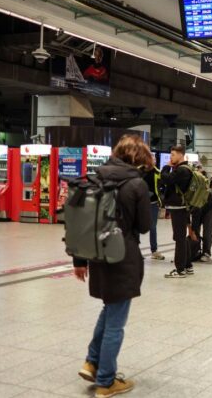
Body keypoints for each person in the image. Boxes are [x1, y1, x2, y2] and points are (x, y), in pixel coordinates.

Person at [73, 134, 152, 398]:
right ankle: (106, 382)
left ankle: (92, 362)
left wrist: (79, 260)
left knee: (109, 309)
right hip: (123, 256)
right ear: (137, 159)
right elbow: (143, 226)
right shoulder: (136, 184)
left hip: (97, 254)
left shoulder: (94, 177)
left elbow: (80, 221)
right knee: (117, 322)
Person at [161, 146, 198, 279]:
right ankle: (188, 266)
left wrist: (166, 167)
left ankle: (180, 269)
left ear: (181, 155)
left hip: (179, 207)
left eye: (172, 155)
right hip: (182, 207)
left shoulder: (182, 170)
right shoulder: (185, 169)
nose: (170, 158)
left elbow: (166, 179)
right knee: (182, 237)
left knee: (179, 238)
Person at [142, 160, 165, 260]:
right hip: (140, 203)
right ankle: (136, 251)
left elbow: (162, 186)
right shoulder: (138, 171)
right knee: (137, 227)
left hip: (153, 203)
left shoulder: (157, 172)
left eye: (153, 159)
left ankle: (154, 250)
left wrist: (161, 198)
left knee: (153, 227)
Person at [191, 174, 212, 264]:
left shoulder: (195, 192)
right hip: (197, 205)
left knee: (207, 230)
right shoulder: (187, 192)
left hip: (208, 204)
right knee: (195, 229)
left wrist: (192, 230)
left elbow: (196, 213)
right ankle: (195, 250)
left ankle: (206, 252)